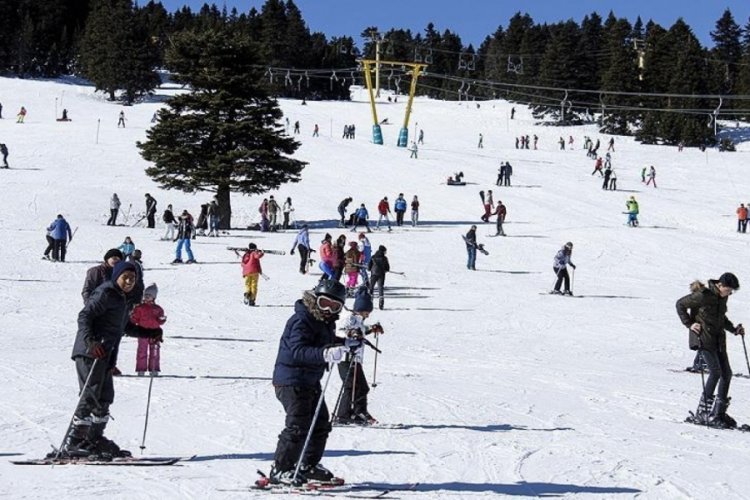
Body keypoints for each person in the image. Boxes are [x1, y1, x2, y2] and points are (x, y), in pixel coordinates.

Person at [57, 261, 160, 460]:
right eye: (125, 277)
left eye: (132, 278)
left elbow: (124, 327)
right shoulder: (105, 292)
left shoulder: (122, 298)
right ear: (116, 276)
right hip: (90, 352)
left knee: (105, 396)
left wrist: (150, 333)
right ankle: (75, 441)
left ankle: (93, 439)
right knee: (90, 395)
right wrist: (90, 341)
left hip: (105, 354)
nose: (129, 282)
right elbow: (85, 316)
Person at [269, 279, 350, 486]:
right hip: (291, 381)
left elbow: (322, 342)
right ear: (315, 299)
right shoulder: (302, 319)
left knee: (320, 424)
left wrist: (347, 344)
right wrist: (325, 353)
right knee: (298, 426)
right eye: (324, 303)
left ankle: (307, 464)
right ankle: (281, 469)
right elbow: (298, 350)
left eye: (334, 307)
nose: (328, 310)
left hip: (309, 381)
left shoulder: (323, 322)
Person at [676, 272, 744, 428]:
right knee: (715, 372)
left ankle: (718, 413)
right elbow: (680, 304)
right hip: (703, 338)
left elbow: (721, 318)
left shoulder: (722, 297)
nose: (730, 293)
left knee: (727, 374)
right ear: (721, 285)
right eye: (729, 290)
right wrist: (689, 324)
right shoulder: (703, 295)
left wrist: (734, 329)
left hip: (718, 340)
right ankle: (703, 413)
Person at [333, 287, 384, 425]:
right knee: (353, 386)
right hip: (346, 358)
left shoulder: (358, 319)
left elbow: (360, 331)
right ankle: (350, 414)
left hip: (354, 359)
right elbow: (338, 331)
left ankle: (352, 413)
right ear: (361, 309)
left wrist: (371, 329)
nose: (368, 315)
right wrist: (350, 333)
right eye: (367, 312)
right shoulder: (348, 318)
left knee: (358, 387)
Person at [129, 283, 166, 376]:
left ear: (154, 297)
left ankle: (154, 369)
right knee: (142, 351)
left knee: (155, 351)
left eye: (149, 295)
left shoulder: (158, 309)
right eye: (145, 295)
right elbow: (135, 319)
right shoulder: (140, 308)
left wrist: (162, 319)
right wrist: (132, 319)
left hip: (154, 332)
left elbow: (160, 321)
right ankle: (141, 369)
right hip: (142, 331)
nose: (146, 297)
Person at [368, 245, 390, 310]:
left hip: (373, 274)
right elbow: (387, 268)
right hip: (381, 275)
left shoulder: (373, 257)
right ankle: (381, 301)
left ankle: (369, 301)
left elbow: (369, 267)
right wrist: (385, 270)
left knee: (371, 288)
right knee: (380, 288)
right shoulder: (385, 258)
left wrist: (371, 269)